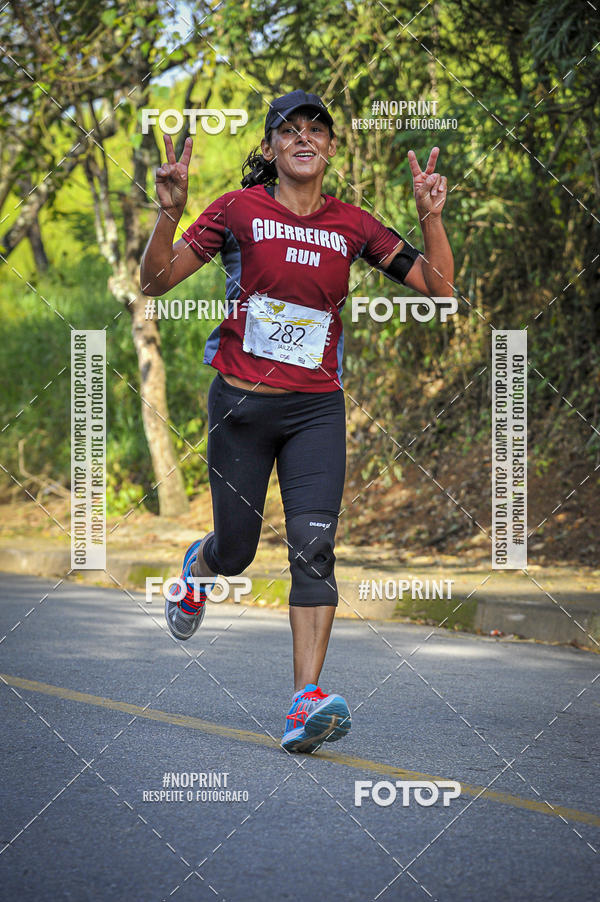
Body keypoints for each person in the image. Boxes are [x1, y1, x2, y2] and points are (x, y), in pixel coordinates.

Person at [140, 89, 453, 754]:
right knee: (239, 551)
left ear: (331, 147)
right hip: (241, 407)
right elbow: (156, 281)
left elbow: (439, 288)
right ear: (272, 147)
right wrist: (166, 215)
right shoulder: (237, 210)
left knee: (314, 548)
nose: (304, 138)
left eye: (317, 129)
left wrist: (430, 218)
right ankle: (201, 562)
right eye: (290, 131)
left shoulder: (354, 224)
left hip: (316, 409)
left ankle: (303, 701)